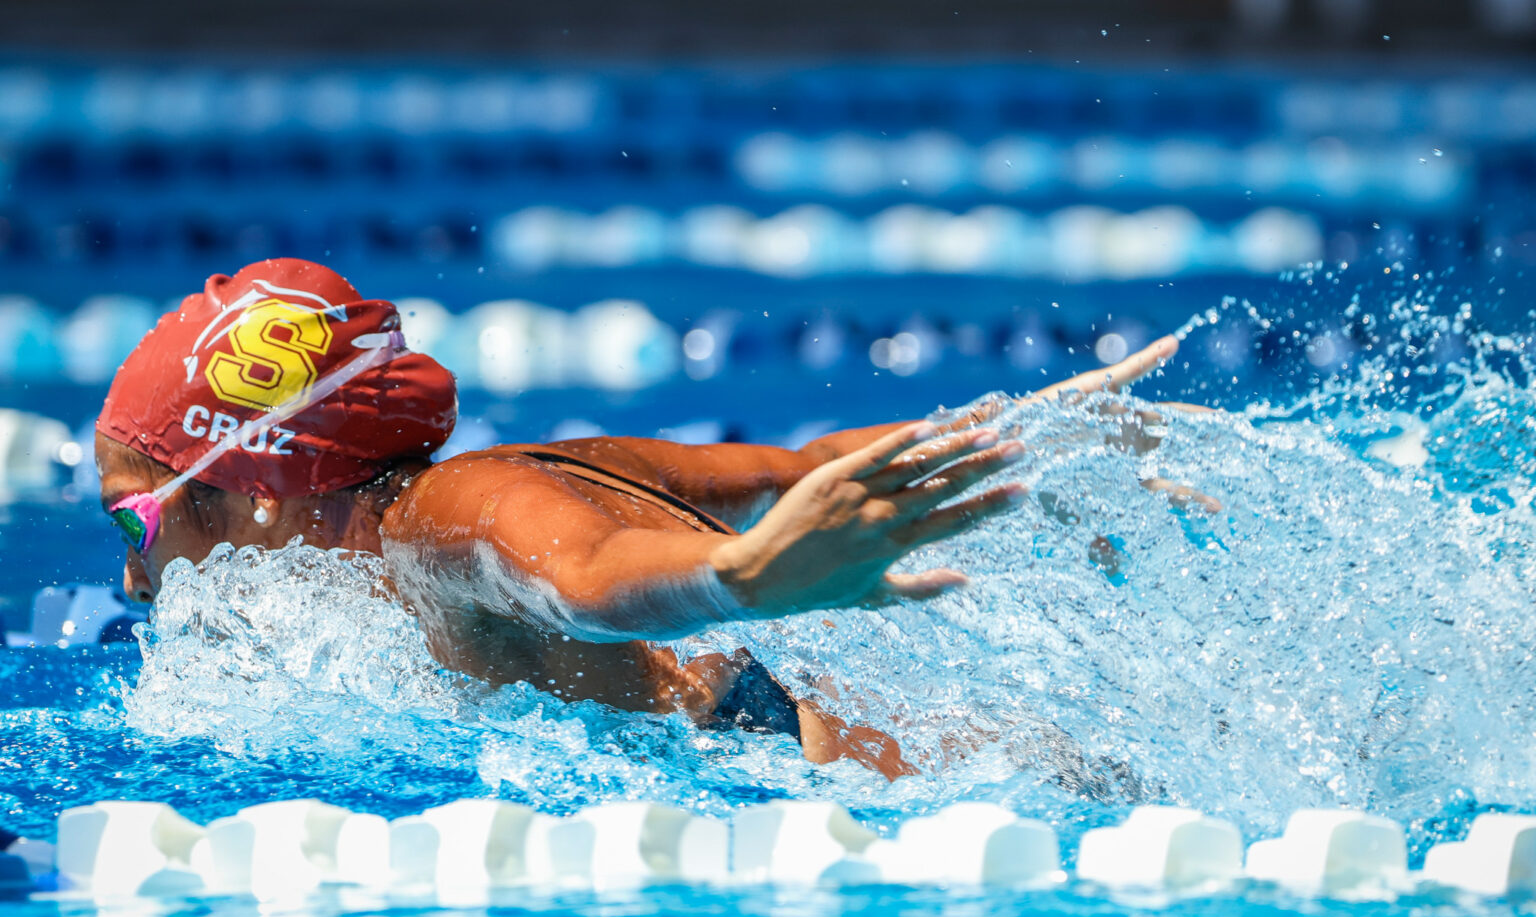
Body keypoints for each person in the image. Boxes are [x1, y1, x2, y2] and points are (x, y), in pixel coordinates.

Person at [95, 259, 1190, 780]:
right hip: (919, 762)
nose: (135, 577)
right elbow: (802, 465)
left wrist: (745, 578)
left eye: (134, 524)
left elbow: (588, 573)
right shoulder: (535, 469)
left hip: (885, 792)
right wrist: (1039, 443)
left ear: (254, 484)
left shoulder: (436, 520)